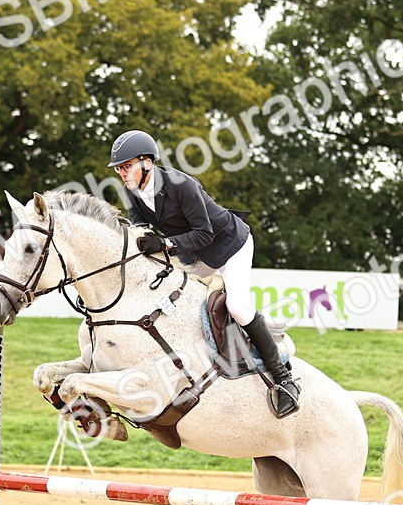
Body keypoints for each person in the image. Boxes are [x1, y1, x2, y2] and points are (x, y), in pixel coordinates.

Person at [107, 129, 300, 418]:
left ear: (147, 162)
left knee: (237, 305)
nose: (122, 173)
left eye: (127, 166)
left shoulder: (181, 185)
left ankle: (283, 377)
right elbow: (139, 225)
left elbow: (205, 232)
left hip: (229, 245)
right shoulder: (131, 190)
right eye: (119, 168)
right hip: (195, 253)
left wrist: (167, 244)